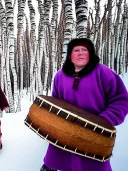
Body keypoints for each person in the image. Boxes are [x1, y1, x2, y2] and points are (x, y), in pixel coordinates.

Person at [41, 38, 128, 171]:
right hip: (65, 132)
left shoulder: (103, 73)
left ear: (90, 54)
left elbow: (121, 99)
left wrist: (104, 120)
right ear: (70, 56)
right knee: (59, 161)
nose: (80, 53)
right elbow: (56, 102)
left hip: (93, 133)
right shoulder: (60, 75)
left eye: (84, 50)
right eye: (76, 50)